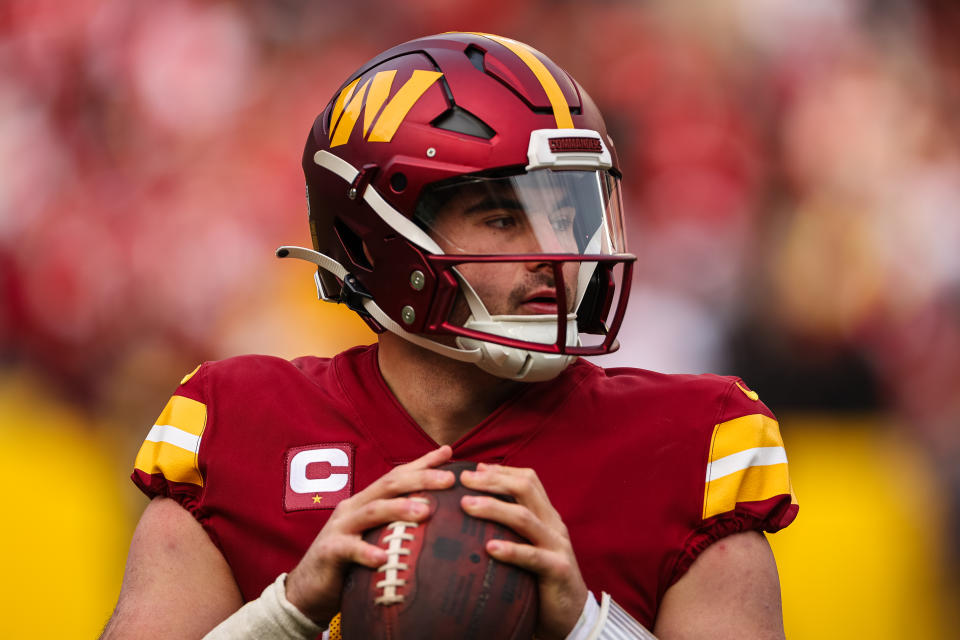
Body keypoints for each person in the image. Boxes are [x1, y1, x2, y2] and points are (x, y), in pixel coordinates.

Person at [102, 32, 797, 640]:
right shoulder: (241, 421)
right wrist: (289, 610)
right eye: (503, 218)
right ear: (374, 238)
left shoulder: (688, 441)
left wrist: (587, 626)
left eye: (566, 214)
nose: (552, 251)